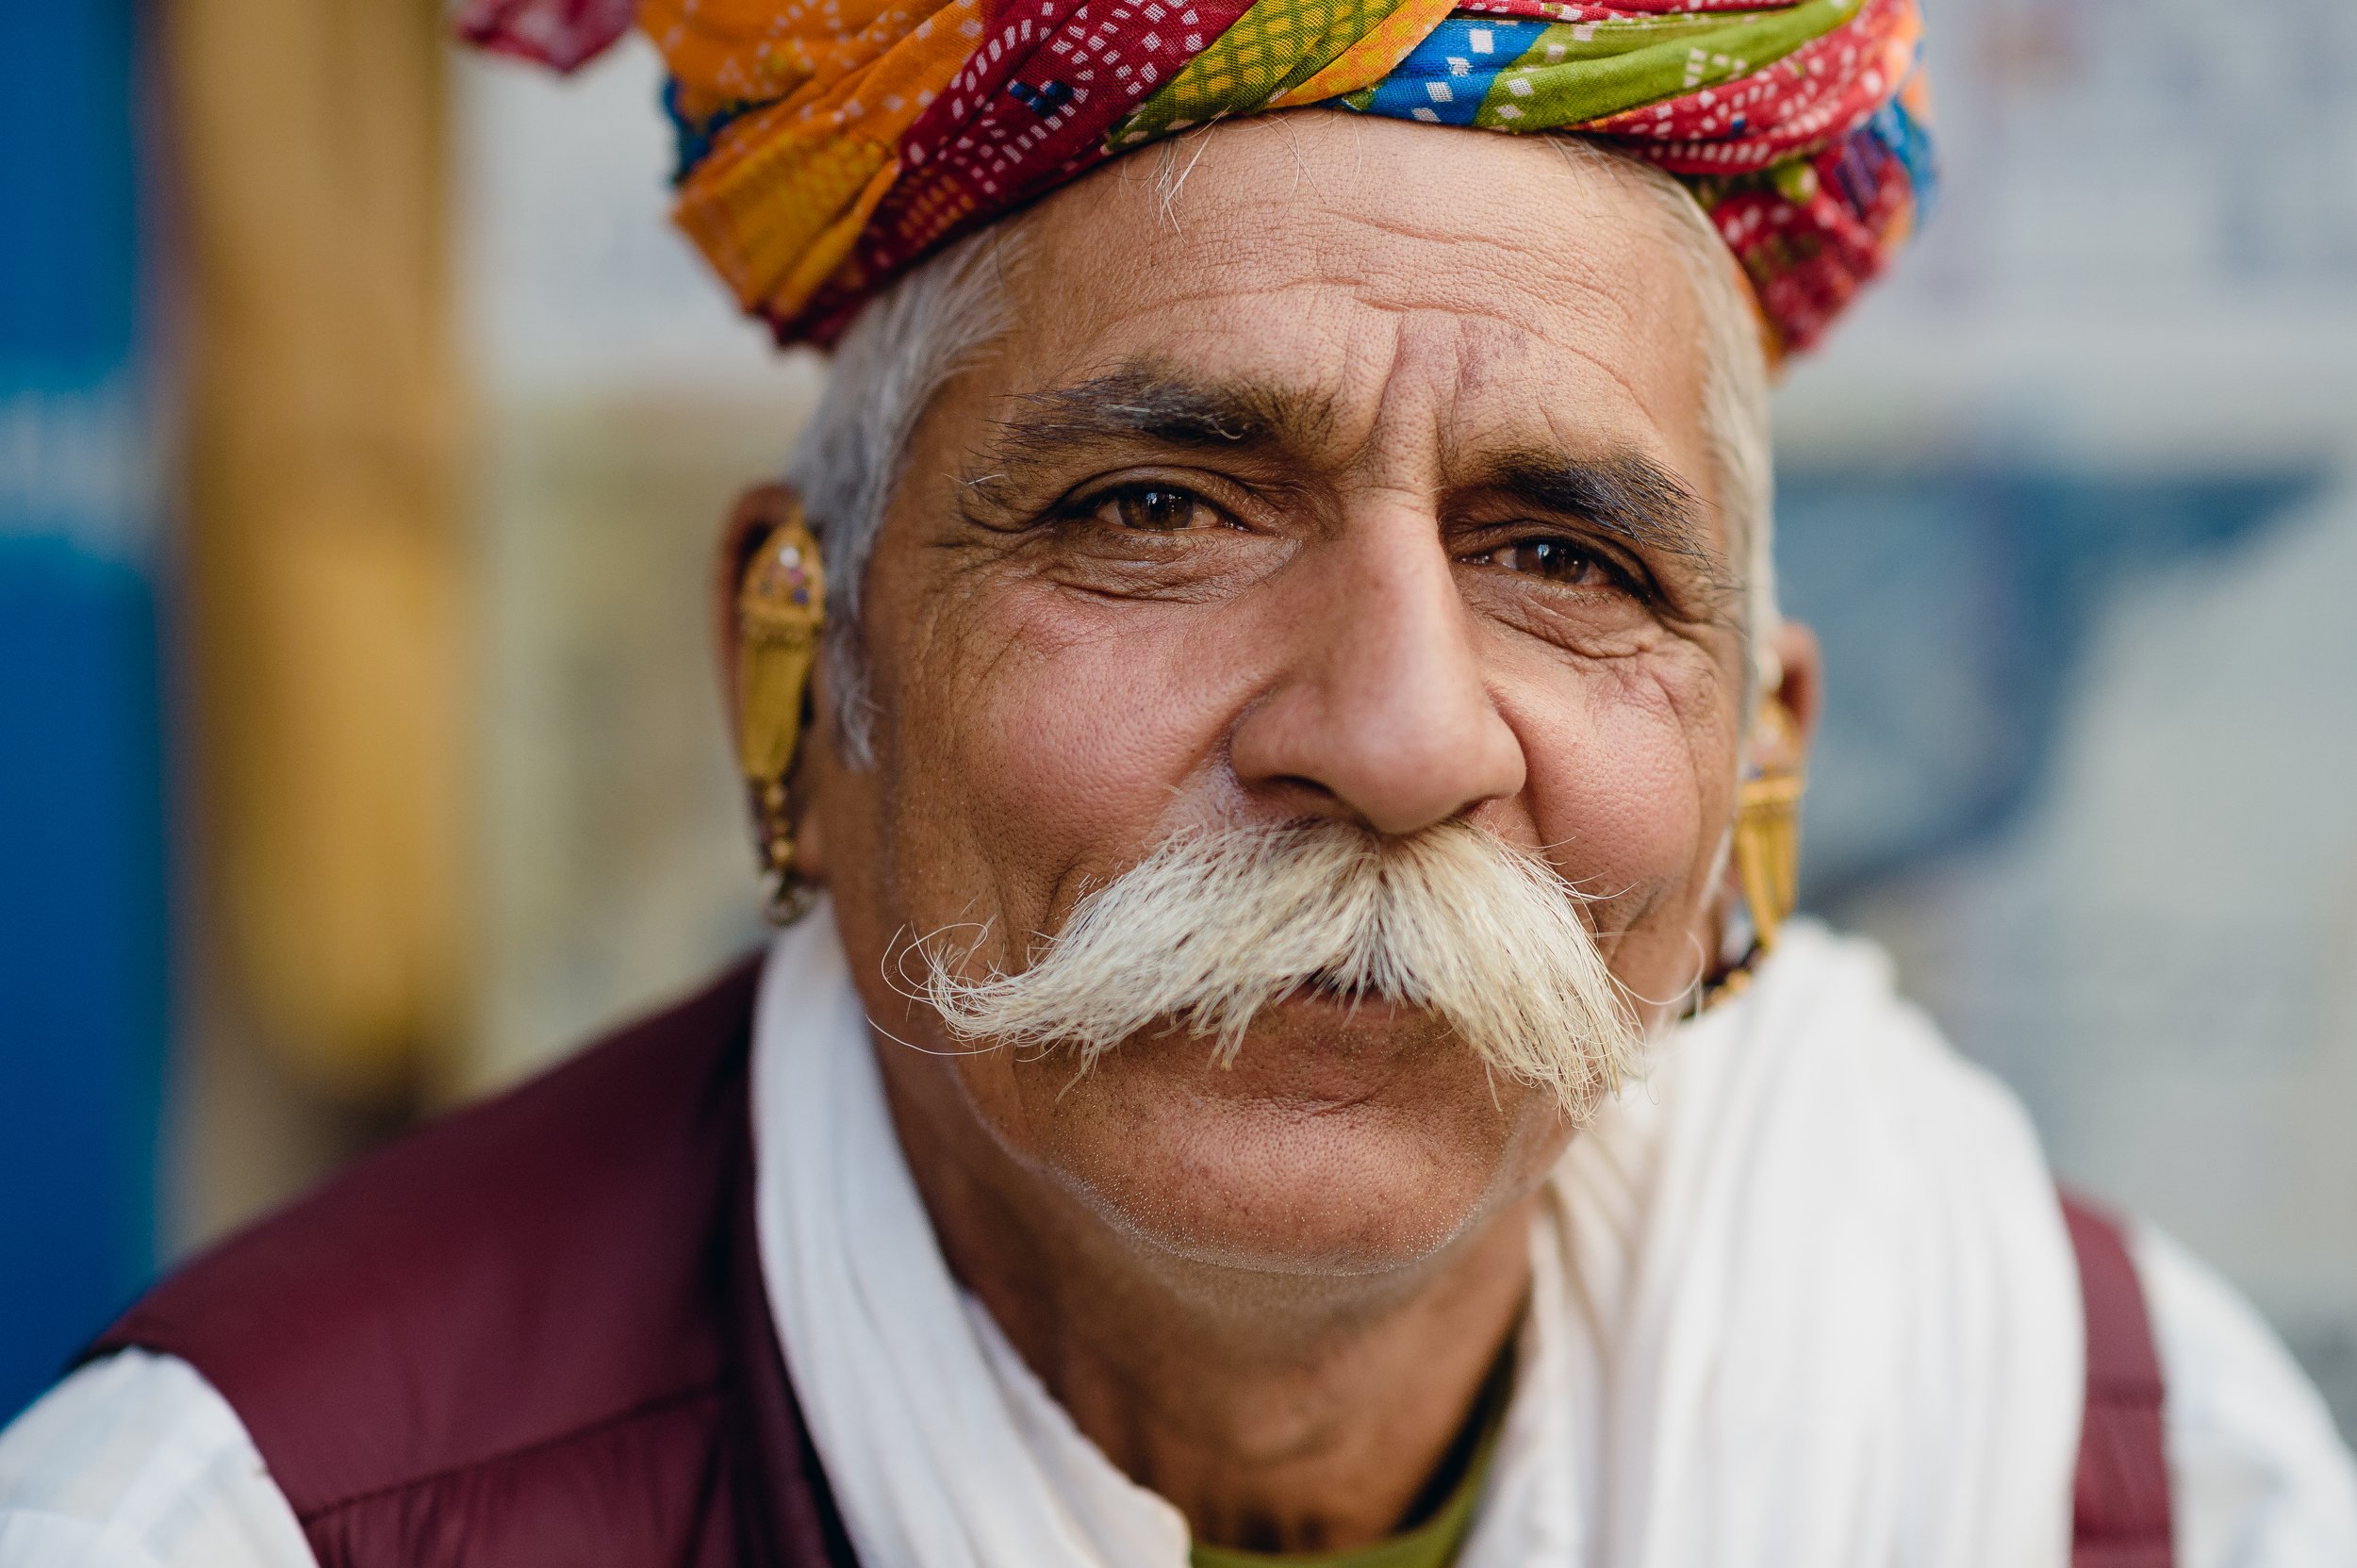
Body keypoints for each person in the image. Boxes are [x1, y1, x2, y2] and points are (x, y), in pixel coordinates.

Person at [5, 1, 2354, 1564]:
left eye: (1561, 554)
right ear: (793, 671)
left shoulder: (2124, 1469)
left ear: (1760, 777)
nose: (1400, 732)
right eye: (1156, 508)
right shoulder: (259, 1520)